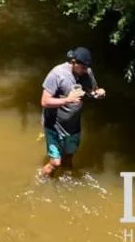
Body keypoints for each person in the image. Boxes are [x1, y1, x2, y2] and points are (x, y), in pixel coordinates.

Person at [40, 47, 106, 177]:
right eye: (82, 67)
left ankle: (66, 184)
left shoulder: (87, 71)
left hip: (73, 126)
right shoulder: (57, 74)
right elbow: (45, 101)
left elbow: (92, 90)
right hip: (54, 125)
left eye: (87, 67)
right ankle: (42, 181)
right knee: (55, 163)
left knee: (69, 159)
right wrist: (68, 100)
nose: (85, 70)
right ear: (73, 62)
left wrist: (99, 93)